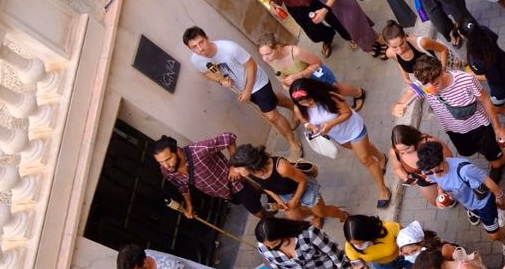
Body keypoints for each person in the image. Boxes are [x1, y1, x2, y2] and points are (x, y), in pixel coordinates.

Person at [182, 27, 302, 158]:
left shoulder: (229, 48)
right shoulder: (196, 59)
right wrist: (221, 80)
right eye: (194, 47)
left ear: (207, 38)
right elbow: (205, 73)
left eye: (201, 42)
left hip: (256, 82)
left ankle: (293, 143)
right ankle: (293, 105)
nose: (200, 49)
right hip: (240, 89)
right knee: (271, 99)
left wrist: (248, 91)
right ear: (190, 49)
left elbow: (252, 65)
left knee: (272, 116)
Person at [289, 79, 391, 207]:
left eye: (309, 99)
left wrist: (331, 124)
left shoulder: (330, 97)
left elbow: (347, 112)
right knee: (363, 148)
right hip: (339, 136)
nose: (308, 104)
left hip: (354, 129)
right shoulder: (299, 108)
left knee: (365, 159)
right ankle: (381, 158)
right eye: (303, 103)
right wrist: (312, 127)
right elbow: (305, 122)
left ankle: (383, 190)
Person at [411, 54, 505, 179]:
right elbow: (410, 92)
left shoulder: (466, 80)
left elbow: (485, 99)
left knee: (495, 160)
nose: (433, 90)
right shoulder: (423, 84)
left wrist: (498, 128)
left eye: (436, 84)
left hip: (479, 128)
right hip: (454, 130)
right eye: (428, 87)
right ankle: (495, 153)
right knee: (468, 151)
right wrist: (400, 104)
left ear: (442, 72)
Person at [416, 140, 505, 255]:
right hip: (468, 203)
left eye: (437, 170)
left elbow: (486, 180)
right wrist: (440, 193)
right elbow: (439, 183)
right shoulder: (429, 169)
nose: (435, 174)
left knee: (494, 235)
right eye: (430, 171)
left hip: (483, 202)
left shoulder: (465, 169)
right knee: (498, 211)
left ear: (442, 159)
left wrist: (499, 196)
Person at [152, 133, 268, 221]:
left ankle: (275, 223)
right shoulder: (166, 170)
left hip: (236, 183)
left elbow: (229, 137)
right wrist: (189, 205)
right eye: (160, 162)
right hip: (225, 194)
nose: (166, 165)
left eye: (168, 159)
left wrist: (234, 165)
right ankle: (275, 196)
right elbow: (182, 185)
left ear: (177, 151)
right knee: (259, 190)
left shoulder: (198, 151)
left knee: (259, 214)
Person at [230, 144, 348, 225]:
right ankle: (315, 212)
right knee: (296, 218)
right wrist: (280, 202)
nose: (235, 171)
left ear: (252, 165)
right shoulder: (251, 174)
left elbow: (303, 181)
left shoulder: (281, 167)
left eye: (238, 168)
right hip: (284, 193)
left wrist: (295, 200)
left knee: (322, 211)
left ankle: (343, 215)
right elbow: (267, 188)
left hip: (304, 188)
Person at [254, 216, 371, 269]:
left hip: (326, 262)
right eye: (267, 246)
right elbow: (277, 265)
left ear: (282, 233)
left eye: (274, 244)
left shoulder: (308, 234)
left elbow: (331, 250)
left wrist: (344, 268)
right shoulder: (264, 247)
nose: (270, 248)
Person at [461, 21, 505, 139]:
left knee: (498, 108)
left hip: (499, 83)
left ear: (465, 36)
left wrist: (471, 76)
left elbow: (492, 77)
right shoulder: (483, 30)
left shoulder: (479, 58)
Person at [256, 32, 365, 106]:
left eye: (268, 54)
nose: (265, 59)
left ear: (278, 47)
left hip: (316, 75)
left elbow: (318, 63)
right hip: (304, 84)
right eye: (262, 55)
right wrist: (284, 84)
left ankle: (358, 93)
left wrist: (298, 76)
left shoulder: (296, 52)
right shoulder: (271, 60)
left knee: (336, 88)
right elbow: (282, 76)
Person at [382, 21, 451, 117]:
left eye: (402, 44)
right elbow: (399, 62)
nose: (400, 50)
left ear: (405, 37)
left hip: (439, 73)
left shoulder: (421, 43)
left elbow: (443, 50)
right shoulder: (390, 53)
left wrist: (443, 70)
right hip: (424, 79)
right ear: (387, 44)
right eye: (394, 47)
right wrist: (405, 77)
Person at [389, 124, 453, 207]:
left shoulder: (429, 141)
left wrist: (439, 174)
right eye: (401, 151)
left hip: (442, 172)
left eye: (407, 148)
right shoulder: (394, 152)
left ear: (413, 140)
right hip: (422, 179)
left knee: (454, 193)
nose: (405, 153)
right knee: (435, 201)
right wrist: (405, 178)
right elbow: (397, 169)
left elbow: (448, 156)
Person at [342, 214, 407, 269]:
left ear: (369, 233)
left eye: (361, 242)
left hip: (406, 255)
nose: (358, 246)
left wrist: (404, 247)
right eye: (354, 244)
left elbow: (411, 238)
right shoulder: (349, 247)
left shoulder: (390, 227)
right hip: (385, 266)